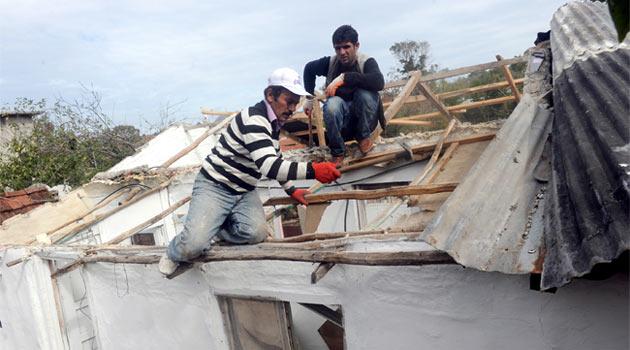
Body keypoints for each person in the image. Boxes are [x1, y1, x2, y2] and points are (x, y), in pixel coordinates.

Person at [159, 67, 341, 275]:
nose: (292, 108)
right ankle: (173, 252)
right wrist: (314, 170)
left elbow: (276, 159)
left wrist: (291, 190)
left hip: (244, 190)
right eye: (288, 100)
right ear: (270, 96)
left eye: (295, 102)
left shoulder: (273, 124)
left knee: (256, 233)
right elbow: (269, 166)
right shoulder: (254, 119)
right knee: (193, 245)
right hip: (215, 186)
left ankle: (216, 224)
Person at [303, 24, 386, 166]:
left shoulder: (366, 61)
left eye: (346, 47)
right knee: (331, 105)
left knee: (365, 94)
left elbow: (379, 82)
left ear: (356, 45)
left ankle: (363, 138)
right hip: (343, 124)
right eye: (338, 48)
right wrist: (309, 97)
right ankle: (338, 152)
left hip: (365, 121)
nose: (342, 52)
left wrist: (345, 78)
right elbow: (308, 69)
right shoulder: (330, 63)